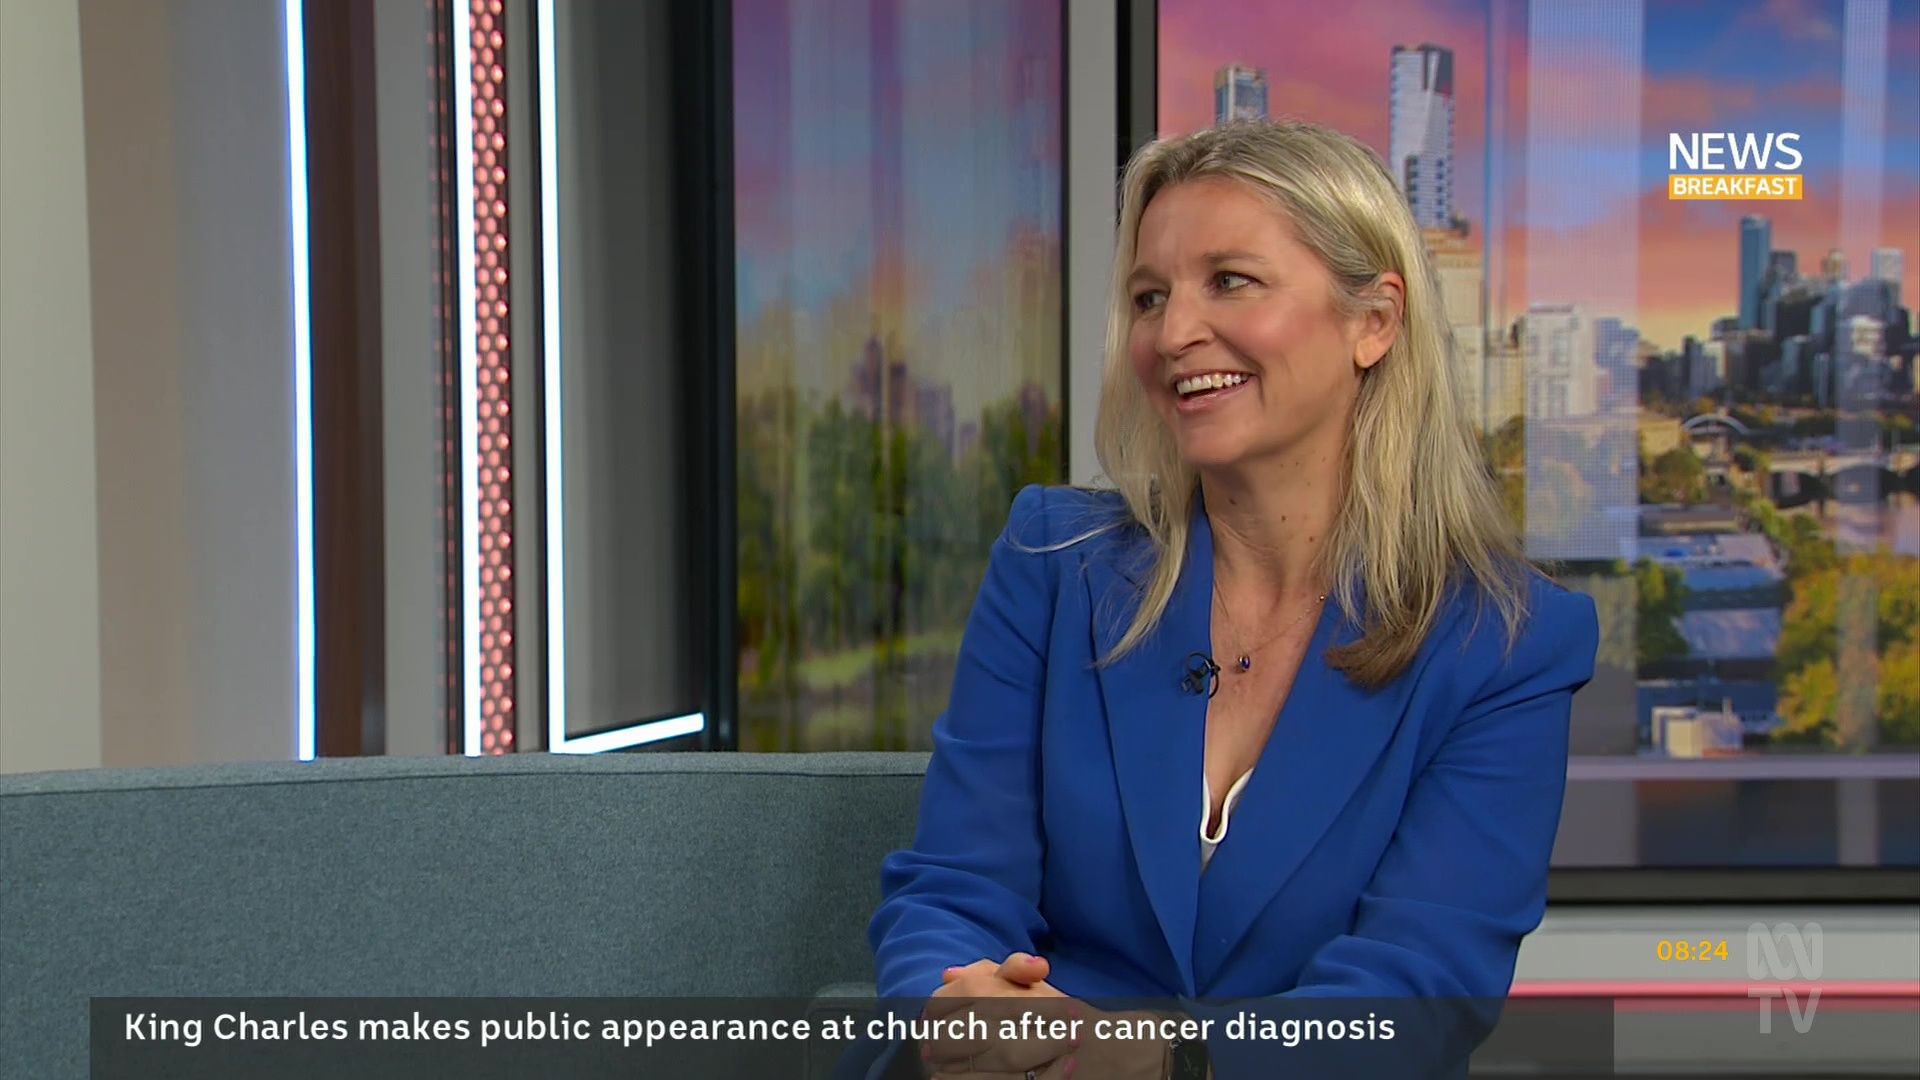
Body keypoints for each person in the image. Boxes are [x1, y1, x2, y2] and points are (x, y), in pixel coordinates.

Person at [863, 119, 1600, 1079]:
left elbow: (1419, 989)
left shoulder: (1505, 642)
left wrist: (1170, 1062)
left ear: (1374, 322)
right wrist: (957, 1007)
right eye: (1149, 297)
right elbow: (955, 886)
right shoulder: (1055, 559)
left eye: (1231, 281)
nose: (1173, 334)